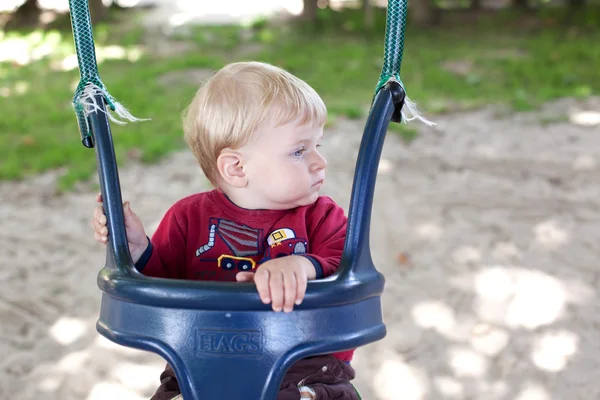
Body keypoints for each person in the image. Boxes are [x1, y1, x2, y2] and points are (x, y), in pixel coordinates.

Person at [91, 61, 360, 400]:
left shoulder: (322, 217)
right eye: (299, 150)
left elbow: (351, 265)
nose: (320, 161)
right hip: (199, 364)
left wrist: (302, 266)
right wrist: (135, 249)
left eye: (317, 145)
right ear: (236, 168)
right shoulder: (187, 217)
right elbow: (161, 287)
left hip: (305, 368)